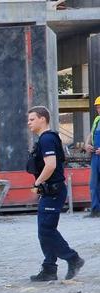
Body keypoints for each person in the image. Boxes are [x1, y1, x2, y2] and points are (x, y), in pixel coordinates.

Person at [26, 106, 85, 281]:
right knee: (44, 230)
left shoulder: (47, 139)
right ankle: (49, 269)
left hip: (53, 191)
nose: (29, 123)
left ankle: (73, 258)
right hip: (50, 191)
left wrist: (37, 183)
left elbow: (50, 165)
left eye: (32, 119)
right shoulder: (47, 138)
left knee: (46, 230)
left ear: (42, 119)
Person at [83, 96, 100, 218]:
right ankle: (96, 210)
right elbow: (91, 133)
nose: (98, 109)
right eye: (97, 107)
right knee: (94, 183)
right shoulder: (97, 120)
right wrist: (86, 144)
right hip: (95, 156)